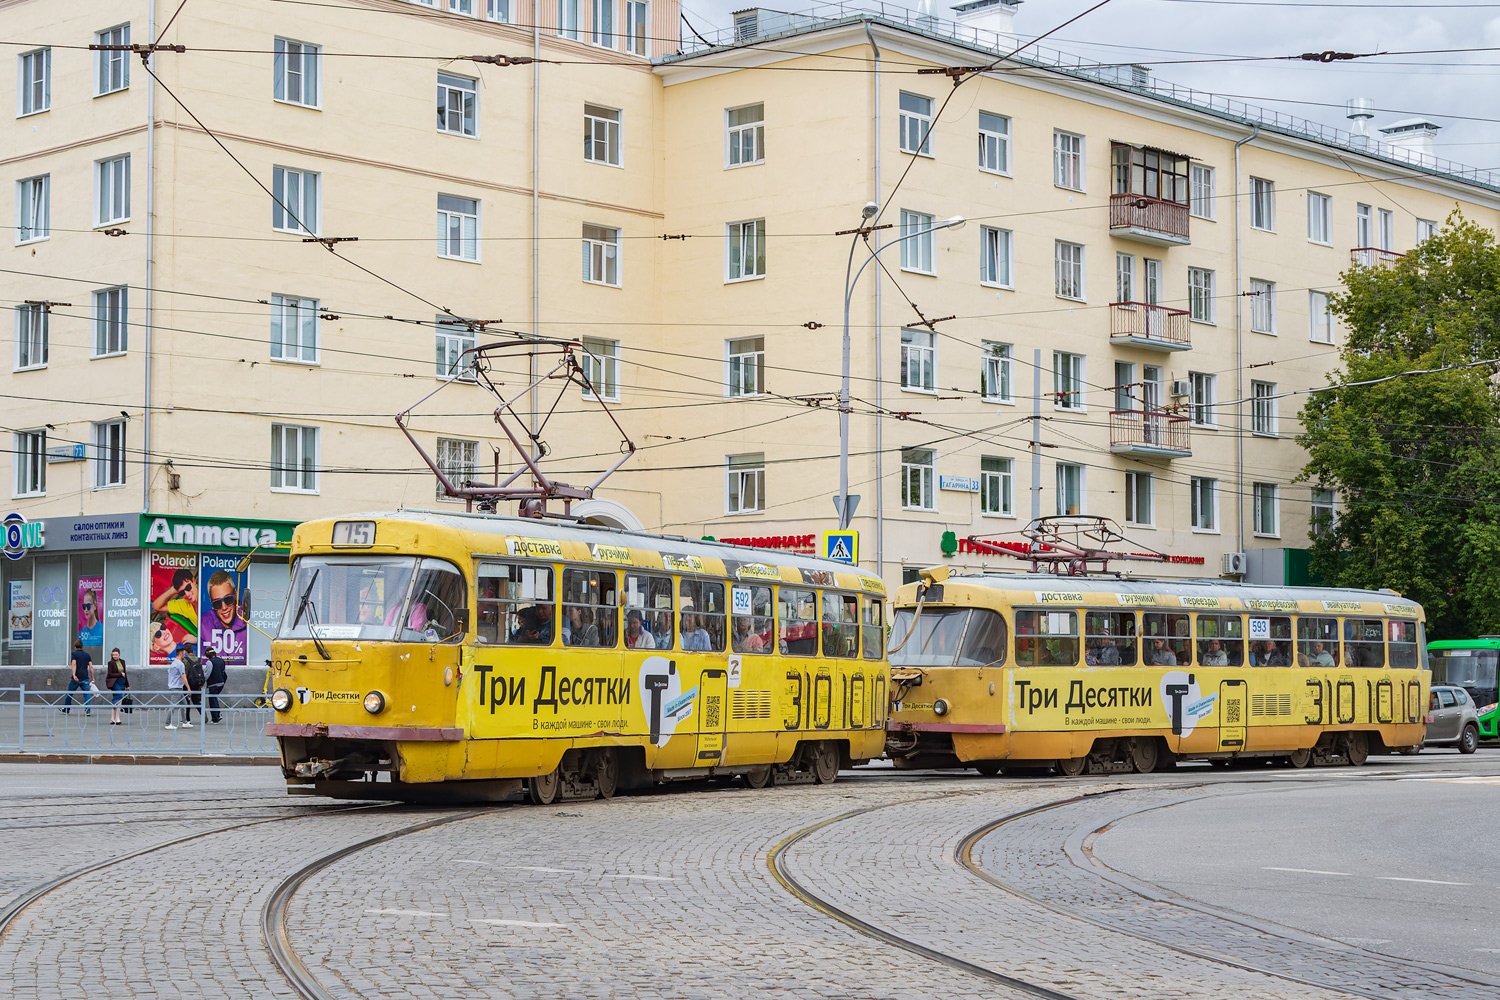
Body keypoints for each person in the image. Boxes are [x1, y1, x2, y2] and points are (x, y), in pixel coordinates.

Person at [203, 571, 248, 662]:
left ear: (236, 595)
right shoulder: (203, 623)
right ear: (211, 602)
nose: (224, 608)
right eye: (217, 603)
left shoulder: (249, 621)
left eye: (228, 599)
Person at [165, 644, 194, 730]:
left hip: (175, 686)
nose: (185, 655)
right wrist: (188, 688)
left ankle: (185, 722)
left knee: (183, 704)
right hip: (176, 687)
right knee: (173, 705)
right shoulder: (180, 664)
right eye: (184, 653)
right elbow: (183, 676)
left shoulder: (174, 663)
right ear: (181, 654)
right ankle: (168, 723)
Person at [63, 639, 93, 715]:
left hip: (76, 678)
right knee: (86, 694)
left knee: (69, 693)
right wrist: (92, 677)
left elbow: (74, 663)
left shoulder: (74, 654)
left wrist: (74, 674)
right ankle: (87, 710)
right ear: (81, 647)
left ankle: (66, 709)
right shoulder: (87, 655)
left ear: (75, 647)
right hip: (85, 677)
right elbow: (91, 667)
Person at [203, 644, 228, 724]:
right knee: (214, 698)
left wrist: (202, 679)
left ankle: (216, 716)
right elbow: (224, 672)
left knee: (212, 699)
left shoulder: (210, 662)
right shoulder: (221, 660)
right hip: (221, 683)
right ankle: (217, 715)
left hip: (213, 683)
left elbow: (207, 674)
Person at [105, 647, 130, 725]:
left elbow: (125, 673)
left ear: (119, 654)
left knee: (119, 700)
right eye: (113, 655)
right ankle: (116, 718)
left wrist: (127, 685)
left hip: (121, 682)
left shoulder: (122, 662)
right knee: (118, 698)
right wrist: (120, 674)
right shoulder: (110, 663)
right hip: (114, 682)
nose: (115, 656)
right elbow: (110, 674)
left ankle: (113, 718)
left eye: (116, 655)